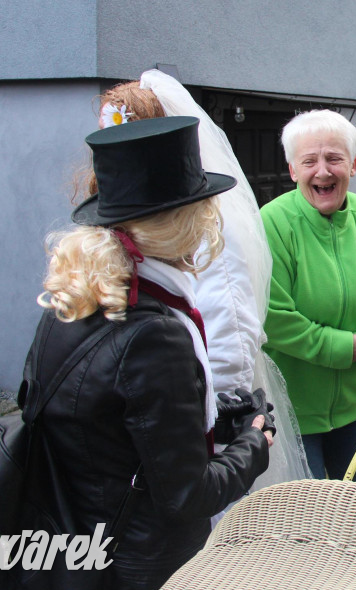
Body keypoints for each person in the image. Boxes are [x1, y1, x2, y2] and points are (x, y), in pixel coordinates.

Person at [35, 116, 272, 590]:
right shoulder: (155, 336)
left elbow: (116, 424)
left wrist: (221, 418)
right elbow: (188, 493)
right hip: (139, 566)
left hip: (78, 533)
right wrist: (254, 445)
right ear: (185, 224)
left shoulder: (76, 296)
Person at [95, 72, 311, 488]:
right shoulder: (106, 239)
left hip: (201, 436)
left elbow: (229, 342)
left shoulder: (207, 230)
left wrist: (227, 435)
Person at [261, 109, 356, 485]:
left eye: (334, 158)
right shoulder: (272, 224)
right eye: (309, 160)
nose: (323, 171)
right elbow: (275, 318)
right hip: (294, 416)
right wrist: (348, 348)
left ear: (354, 164)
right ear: (293, 169)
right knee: (308, 533)